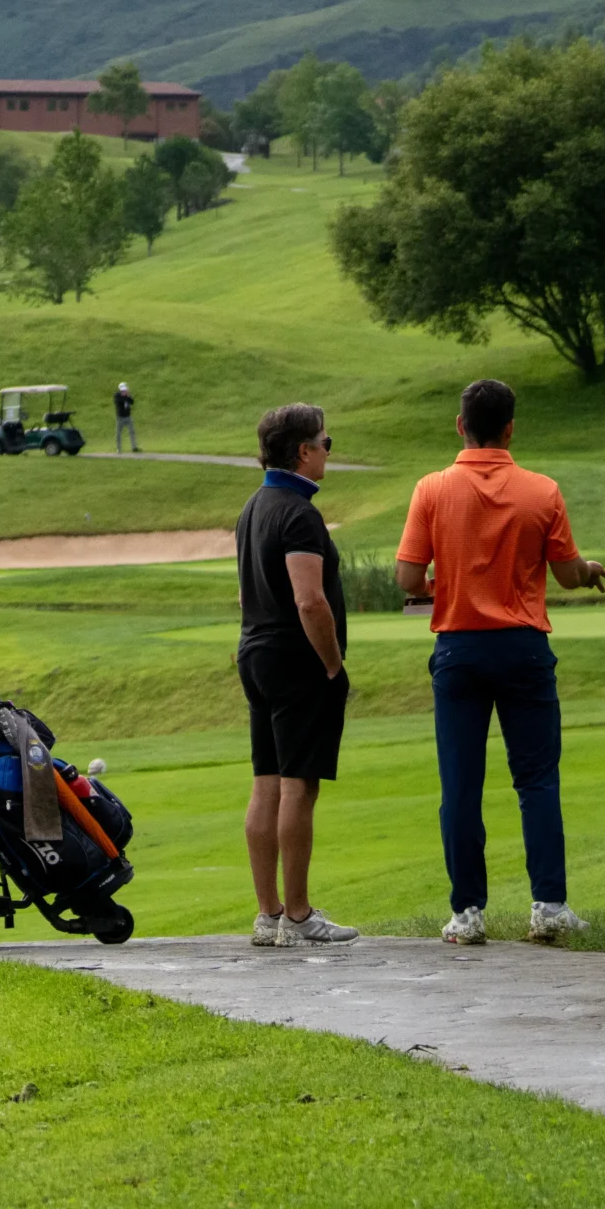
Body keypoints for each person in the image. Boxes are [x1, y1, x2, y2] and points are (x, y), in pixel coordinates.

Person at [396, 379, 605, 946]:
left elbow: (408, 580)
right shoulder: (542, 491)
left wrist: (451, 583)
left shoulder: (432, 489)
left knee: (460, 786)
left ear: (459, 425)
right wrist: (589, 570)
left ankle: (467, 913)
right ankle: (549, 906)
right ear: (511, 428)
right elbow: (566, 574)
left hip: (459, 650)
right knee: (536, 780)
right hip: (522, 647)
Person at [235, 402, 359, 949]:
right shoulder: (299, 514)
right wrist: (333, 666)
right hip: (296, 659)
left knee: (265, 783)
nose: (329, 452)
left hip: (256, 652)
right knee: (297, 785)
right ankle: (300, 915)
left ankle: (269, 914)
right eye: (326, 444)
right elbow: (310, 601)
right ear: (303, 451)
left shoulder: (254, 506)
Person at [114, 382, 139, 452]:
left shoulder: (127, 396)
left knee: (132, 431)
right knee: (118, 433)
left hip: (128, 417)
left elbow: (132, 402)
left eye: (125, 390)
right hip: (120, 417)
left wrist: (128, 396)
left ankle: (134, 447)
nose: (124, 391)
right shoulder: (117, 395)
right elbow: (119, 402)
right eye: (123, 390)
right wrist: (124, 396)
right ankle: (118, 448)